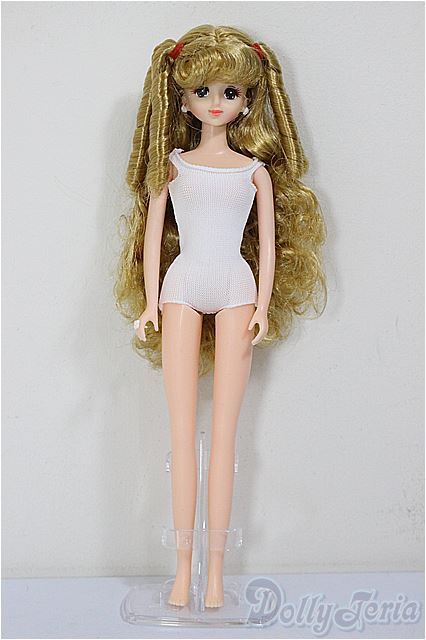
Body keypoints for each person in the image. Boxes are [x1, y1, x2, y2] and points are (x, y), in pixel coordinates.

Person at [114, 24, 327, 608]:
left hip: (236, 288)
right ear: (182, 99)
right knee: (181, 433)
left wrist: (264, 305)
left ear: (247, 100)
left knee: (226, 437)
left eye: (229, 92)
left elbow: (267, 244)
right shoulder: (173, 167)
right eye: (203, 91)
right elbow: (153, 237)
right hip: (182, 286)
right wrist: (150, 302)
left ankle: (215, 575)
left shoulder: (253, 172)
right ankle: (182, 570)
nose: (215, 103)